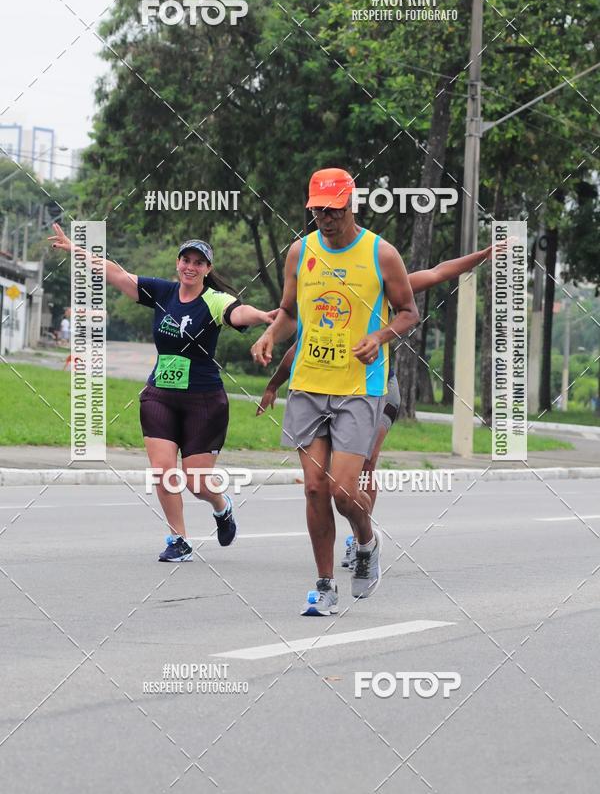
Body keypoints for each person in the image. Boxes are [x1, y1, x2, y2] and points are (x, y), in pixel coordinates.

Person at [256, 242, 497, 571]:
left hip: (379, 389)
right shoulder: (321, 305)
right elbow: (297, 349)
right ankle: (354, 545)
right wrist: (273, 386)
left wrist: (482, 255)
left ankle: (360, 540)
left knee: (365, 464)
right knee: (326, 484)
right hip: (325, 387)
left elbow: (440, 271)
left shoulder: (383, 280)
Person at [48, 225, 276, 562]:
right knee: (164, 470)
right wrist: (75, 250)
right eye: (186, 259)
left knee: (196, 481)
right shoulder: (163, 292)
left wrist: (262, 316)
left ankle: (221, 506)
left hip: (204, 401)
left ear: (207, 270)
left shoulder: (213, 300)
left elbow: (237, 312)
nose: (190, 266)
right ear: (178, 263)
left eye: (198, 263)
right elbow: (116, 273)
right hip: (160, 396)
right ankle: (178, 538)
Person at [251, 167, 419, 616]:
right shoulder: (299, 253)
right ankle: (324, 585)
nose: (325, 217)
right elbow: (289, 312)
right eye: (317, 210)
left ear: (351, 204)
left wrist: (380, 337)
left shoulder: (381, 254)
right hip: (308, 384)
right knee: (312, 489)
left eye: (333, 209)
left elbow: (408, 312)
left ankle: (366, 540)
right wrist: (271, 335)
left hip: (358, 389)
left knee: (345, 493)